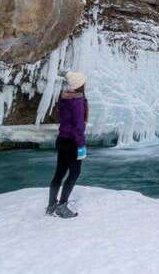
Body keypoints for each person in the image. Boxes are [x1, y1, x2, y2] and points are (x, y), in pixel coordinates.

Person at [47, 71, 88, 218]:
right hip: (72, 142)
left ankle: (51, 205)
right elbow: (78, 127)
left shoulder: (65, 98)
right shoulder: (77, 102)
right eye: (84, 82)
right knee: (75, 173)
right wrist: (82, 146)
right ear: (80, 86)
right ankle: (62, 206)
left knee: (59, 173)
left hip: (62, 140)